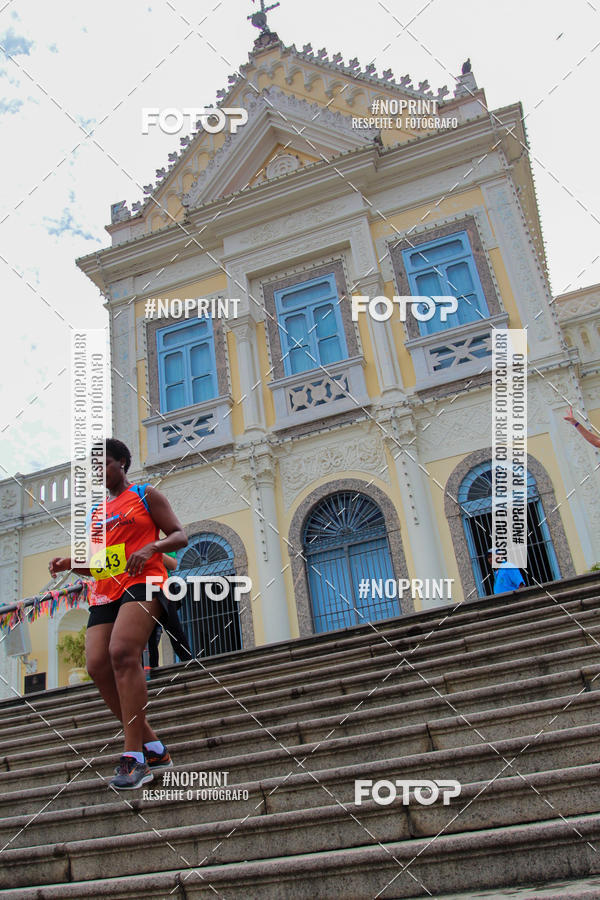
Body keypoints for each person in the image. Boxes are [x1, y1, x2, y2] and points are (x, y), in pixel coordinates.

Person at [49, 438, 189, 790]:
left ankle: (134, 757)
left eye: (104, 464)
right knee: (97, 665)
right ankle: (153, 746)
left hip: (145, 582)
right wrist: (70, 563)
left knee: (122, 652)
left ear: (122, 462)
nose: (99, 472)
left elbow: (179, 536)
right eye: (94, 468)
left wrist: (152, 546)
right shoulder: (96, 513)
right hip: (107, 590)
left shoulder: (145, 494)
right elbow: (101, 563)